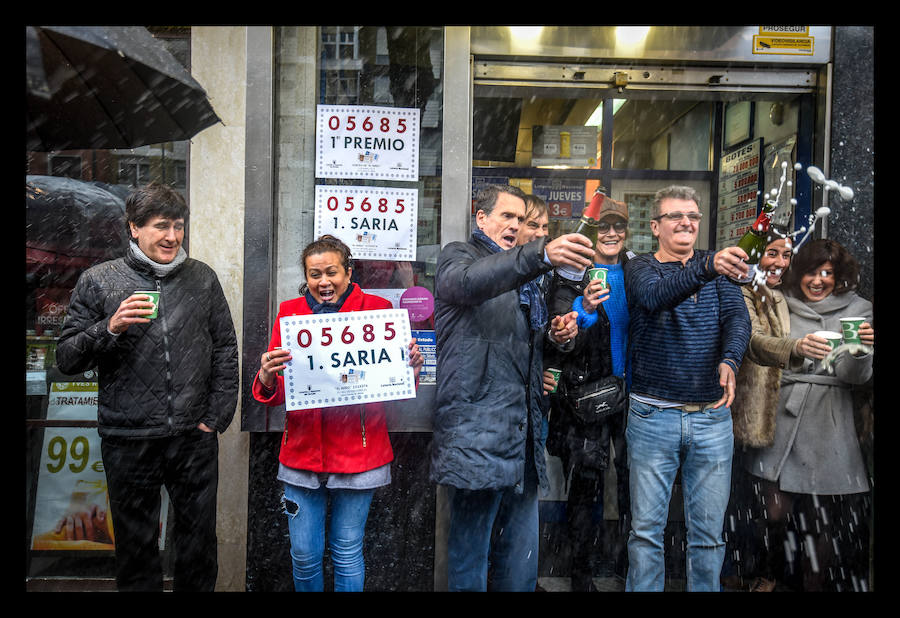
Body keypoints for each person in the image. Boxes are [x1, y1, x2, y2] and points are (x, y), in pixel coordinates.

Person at [56, 182, 239, 591]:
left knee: (197, 546)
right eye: (161, 226)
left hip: (193, 437)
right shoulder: (99, 281)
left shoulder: (202, 278)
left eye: (178, 226)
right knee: (136, 549)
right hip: (128, 438)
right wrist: (110, 326)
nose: (173, 236)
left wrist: (215, 417)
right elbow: (67, 358)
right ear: (134, 228)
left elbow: (226, 348)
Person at [431, 183, 595, 591]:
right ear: (481, 217)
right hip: (477, 436)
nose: (516, 225)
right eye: (507, 216)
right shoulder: (460, 256)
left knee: (521, 561)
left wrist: (559, 335)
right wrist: (539, 253)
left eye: (521, 220)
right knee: (470, 558)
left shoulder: (529, 276)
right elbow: (471, 284)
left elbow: (528, 346)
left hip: (523, 434)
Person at [251, 235, 424, 592]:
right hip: (302, 454)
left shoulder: (377, 311)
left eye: (331, 272)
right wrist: (267, 375)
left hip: (359, 455)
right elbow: (278, 392)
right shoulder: (290, 314)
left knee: (347, 552)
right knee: (303, 554)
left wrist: (410, 369)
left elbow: (395, 386)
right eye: (315, 274)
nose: (323, 282)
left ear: (348, 272)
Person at [623, 185, 751, 592]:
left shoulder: (716, 270)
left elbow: (738, 319)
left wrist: (730, 359)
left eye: (693, 216)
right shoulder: (640, 267)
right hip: (651, 416)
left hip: (712, 418)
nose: (686, 223)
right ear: (655, 226)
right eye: (676, 216)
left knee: (709, 537)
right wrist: (709, 265)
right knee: (646, 534)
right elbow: (656, 297)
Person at [741, 238, 874, 592]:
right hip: (783, 414)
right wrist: (795, 349)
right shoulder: (782, 303)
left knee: (821, 520)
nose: (818, 281)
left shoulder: (859, 310)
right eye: (812, 272)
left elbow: (854, 376)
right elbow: (757, 345)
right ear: (799, 273)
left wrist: (860, 352)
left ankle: (812, 584)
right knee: (772, 512)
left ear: (839, 276)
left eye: (827, 273)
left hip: (830, 420)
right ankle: (766, 576)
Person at [544, 194, 633, 592]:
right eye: (604, 226)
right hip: (585, 404)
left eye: (619, 226)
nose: (611, 233)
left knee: (635, 487)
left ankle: (632, 569)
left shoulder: (638, 272)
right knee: (585, 493)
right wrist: (584, 310)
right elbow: (560, 341)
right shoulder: (569, 275)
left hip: (634, 400)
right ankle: (582, 574)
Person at [724, 232, 798, 592]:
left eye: (786, 255)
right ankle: (735, 573)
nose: (779, 263)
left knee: (763, 502)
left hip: (772, 417)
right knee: (738, 499)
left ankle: (758, 572)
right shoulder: (740, 290)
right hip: (738, 413)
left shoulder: (784, 296)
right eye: (772, 253)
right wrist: (796, 348)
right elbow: (754, 343)